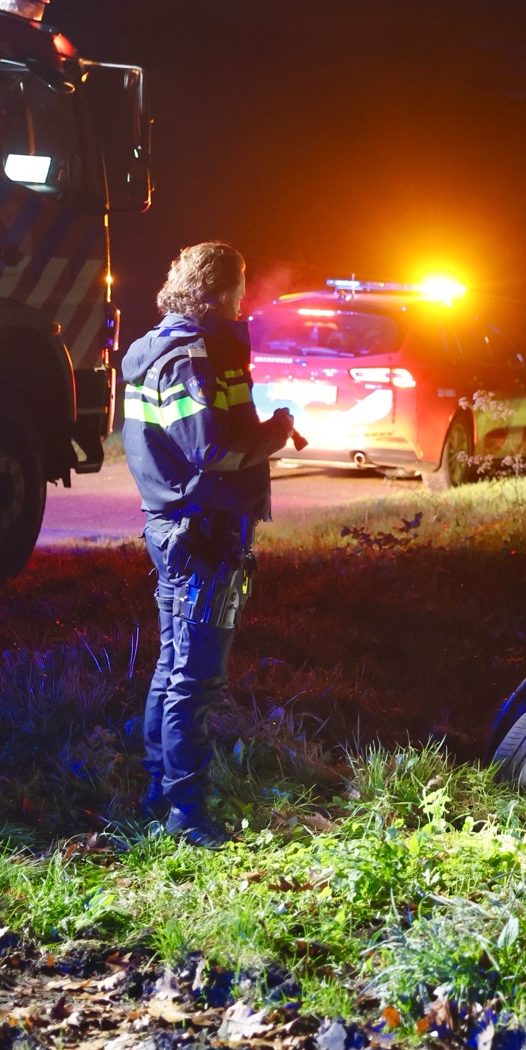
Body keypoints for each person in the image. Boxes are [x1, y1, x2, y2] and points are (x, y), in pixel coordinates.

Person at [122, 242, 300, 845]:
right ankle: (187, 815)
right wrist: (275, 435)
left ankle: (159, 795)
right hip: (200, 535)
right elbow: (211, 450)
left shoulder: (169, 347)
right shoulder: (187, 357)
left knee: (174, 668)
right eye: (240, 287)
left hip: (183, 529)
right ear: (221, 289)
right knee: (194, 680)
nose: (243, 300)